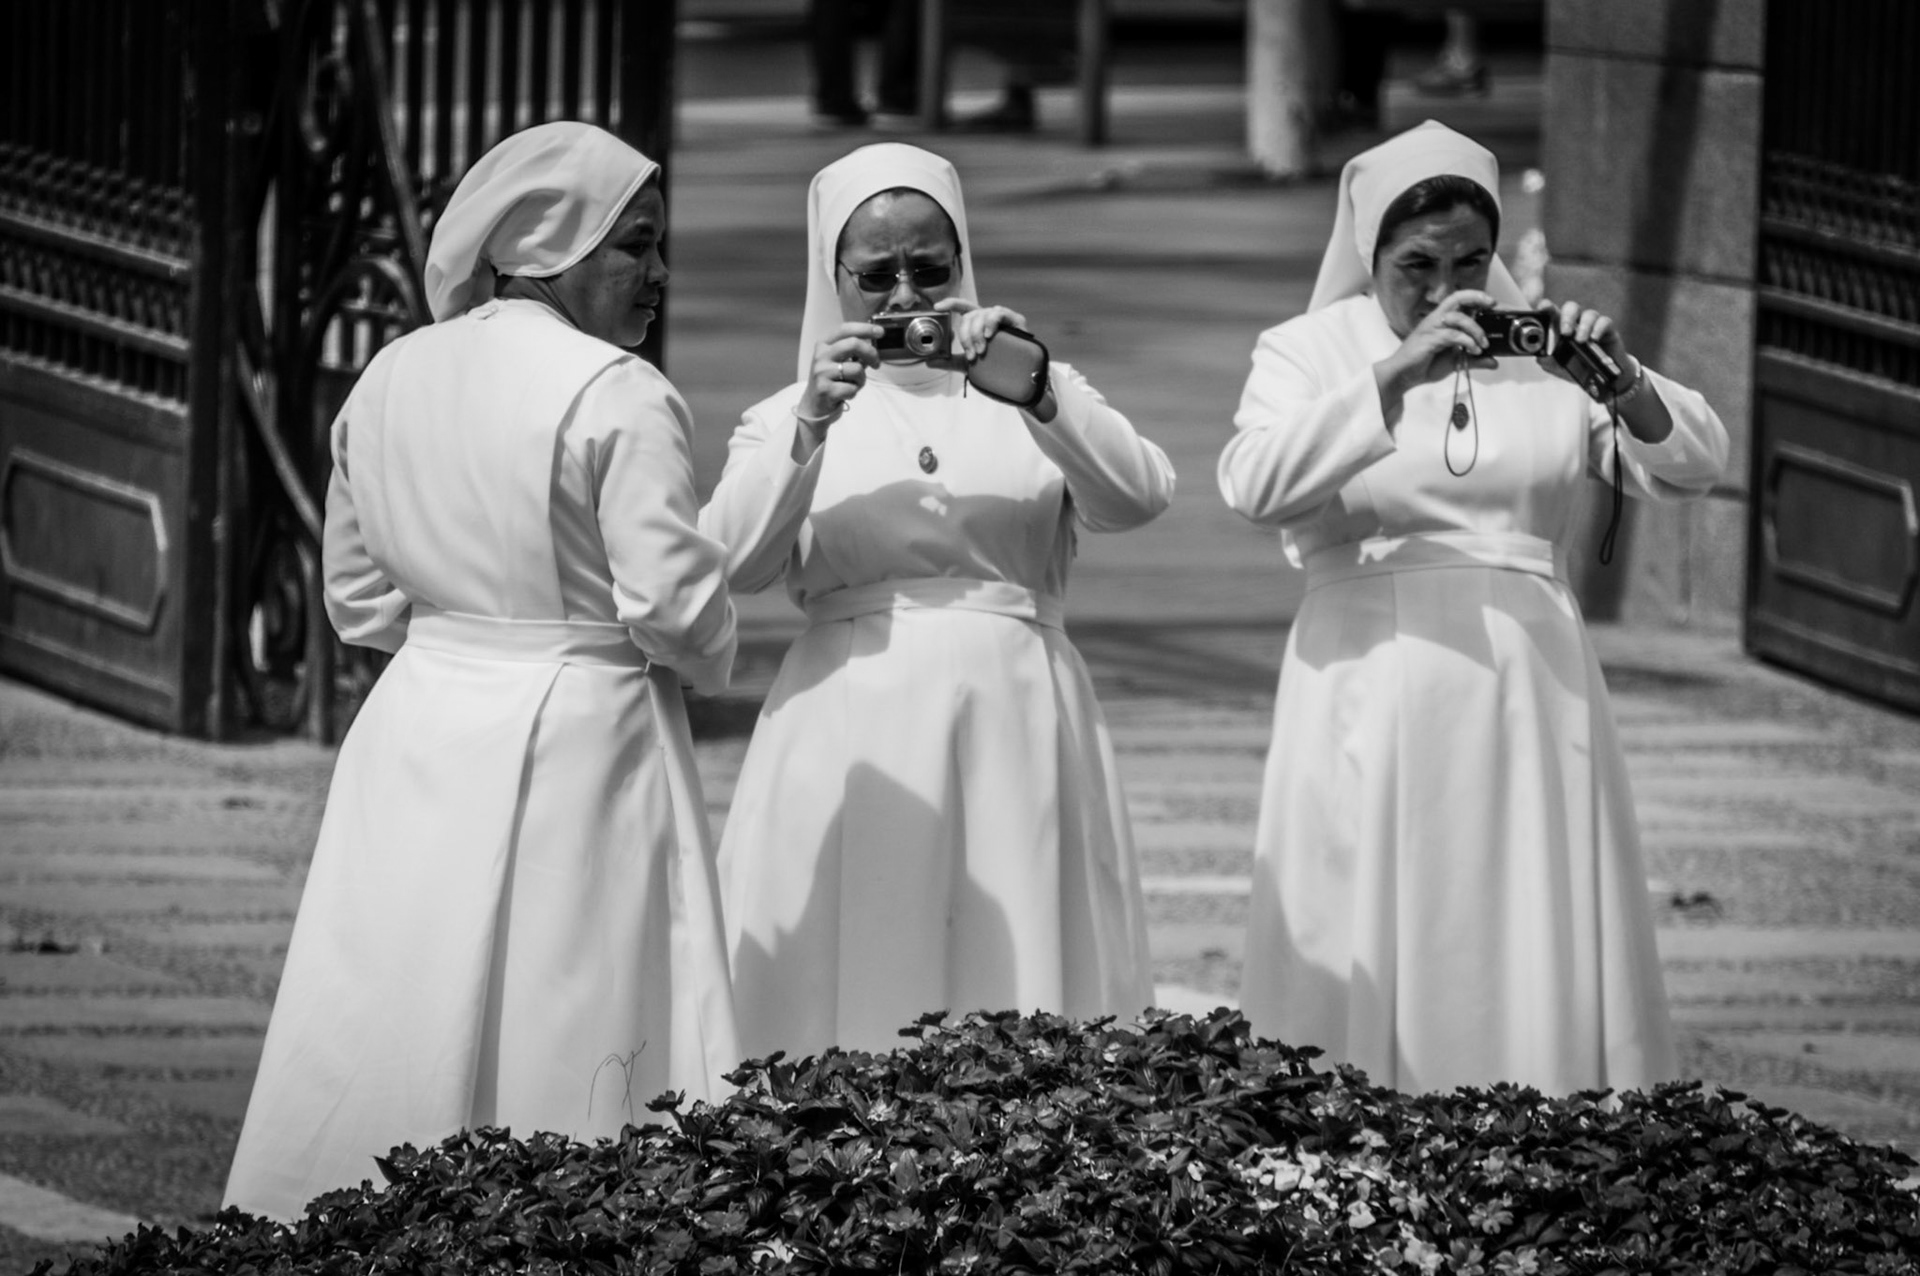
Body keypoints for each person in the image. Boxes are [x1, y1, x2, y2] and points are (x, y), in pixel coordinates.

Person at [224, 122, 741, 1221]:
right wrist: (699, 645)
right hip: (585, 736)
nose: (658, 274)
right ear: (550, 247)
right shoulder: (619, 393)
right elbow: (678, 614)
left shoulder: (391, 374)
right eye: (634, 245)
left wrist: (460, 632)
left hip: (417, 725)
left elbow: (359, 601)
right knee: (570, 1024)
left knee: (394, 1004)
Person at [1218, 121, 1728, 1096]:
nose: (1448, 285)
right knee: (1374, 913)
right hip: (1371, 676)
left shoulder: (1538, 347)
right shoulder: (1308, 350)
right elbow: (1252, 483)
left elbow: (1698, 461)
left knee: (1525, 914)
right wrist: (1395, 377)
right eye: (1416, 264)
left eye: (1470, 260)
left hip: (1531, 682)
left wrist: (1623, 383)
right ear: (1369, 256)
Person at [702, 143, 1174, 1060]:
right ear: (831, 278)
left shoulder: (1025, 382)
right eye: (876, 275)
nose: (908, 300)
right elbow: (733, 561)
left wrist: (1037, 388)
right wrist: (808, 427)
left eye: (931, 267)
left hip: (1020, 717)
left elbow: (1138, 495)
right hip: (851, 728)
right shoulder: (784, 413)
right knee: (854, 975)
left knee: (1025, 973)